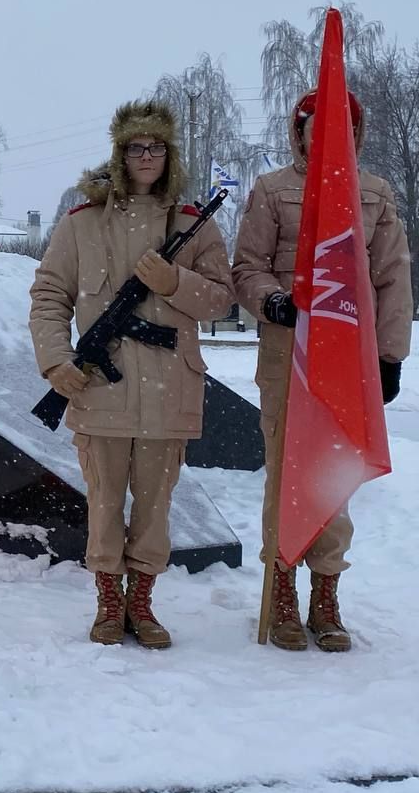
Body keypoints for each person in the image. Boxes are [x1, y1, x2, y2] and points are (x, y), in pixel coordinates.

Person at [29, 100, 233, 648]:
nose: (148, 157)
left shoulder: (192, 225)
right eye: (137, 147)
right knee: (103, 503)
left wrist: (172, 282)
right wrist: (56, 360)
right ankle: (108, 603)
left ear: (170, 155)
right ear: (121, 154)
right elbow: (49, 295)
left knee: (155, 505)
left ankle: (142, 605)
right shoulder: (82, 224)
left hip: (170, 392)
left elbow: (221, 299)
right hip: (101, 390)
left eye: (157, 147)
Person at [232, 88, 412, 652]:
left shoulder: (375, 195)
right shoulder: (273, 190)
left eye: (341, 125)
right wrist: (273, 301)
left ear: (355, 133)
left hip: (344, 362)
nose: (328, 133)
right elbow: (246, 268)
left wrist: (388, 357)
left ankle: (325, 594)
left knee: (334, 475)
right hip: (287, 357)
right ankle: (281, 585)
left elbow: (391, 281)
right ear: (300, 130)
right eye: (317, 124)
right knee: (287, 470)